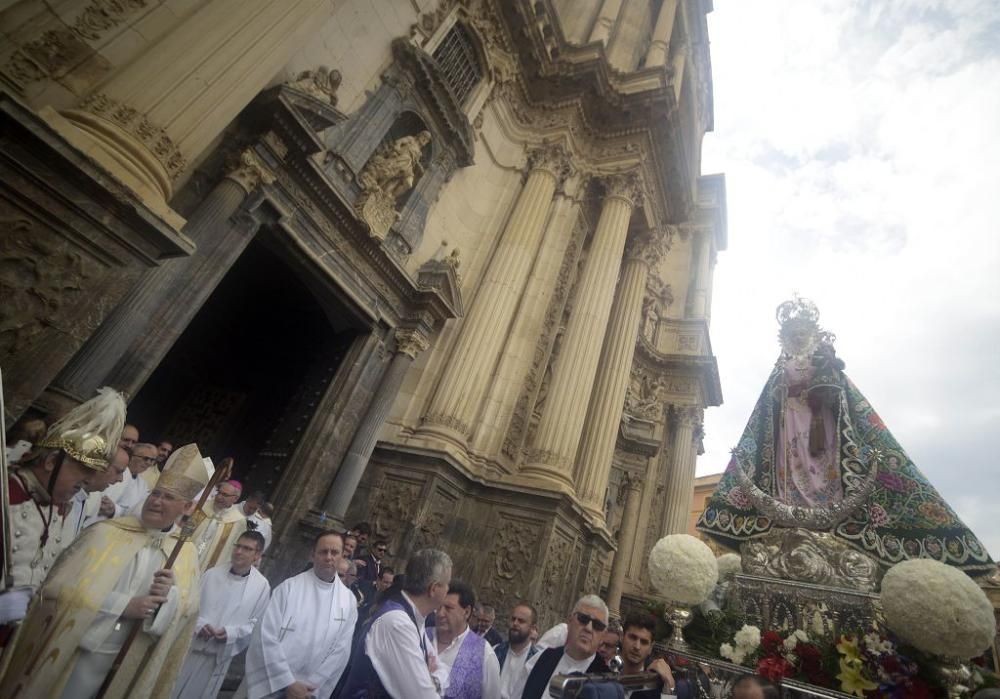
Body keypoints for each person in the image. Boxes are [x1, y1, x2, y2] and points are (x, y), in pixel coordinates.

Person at [698, 298, 995, 573]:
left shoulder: (824, 361)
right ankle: (789, 509)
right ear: (786, 337)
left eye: (804, 331)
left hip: (820, 423)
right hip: (790, 422)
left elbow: (841, 397)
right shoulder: (781, 368)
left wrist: (824, 382)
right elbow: (770, 402)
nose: (799, 336)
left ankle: (824, 509)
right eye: (794, 332)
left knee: (822, 465)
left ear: (812, 333)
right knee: (789, 464)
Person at [0, 443, 208, 699]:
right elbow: (55, 590)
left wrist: (170, 598)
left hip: (126, 664)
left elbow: (188, 612)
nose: (156, 501)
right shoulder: (105, 533)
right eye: (155, 493)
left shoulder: (185, 554)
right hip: (74, 653)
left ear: (186, 508)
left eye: (168, 497)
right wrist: (123, 606)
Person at [0, 387, 126, 627]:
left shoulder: (58, 510)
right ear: (51, 462)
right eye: (84, 470)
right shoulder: (8, 494)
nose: (88, 480)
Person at [243, 531, 357, 699]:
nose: (329, 557)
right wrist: (287, 682)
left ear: (342, 556)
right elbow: (265, 636)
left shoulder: (348, 601)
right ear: (313, 555)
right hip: (273, 684)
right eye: (323, 551)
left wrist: (312, 687)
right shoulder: (289, 588)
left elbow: (341, 650)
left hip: (309, 691)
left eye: (335, 552)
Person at [340, 548, 453, 698]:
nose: (448, 590)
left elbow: (442, 668)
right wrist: (434, 681)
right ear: (433, 589)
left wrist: (434, 680)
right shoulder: (398, 623)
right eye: (447, 584)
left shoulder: (414, 618)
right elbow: (423, 695)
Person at [171, 531, 271, 699]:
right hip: (190, 649)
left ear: (257, 555)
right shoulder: (212, 574)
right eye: (238, 546)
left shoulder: (261, 587)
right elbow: (190, 607)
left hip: (218, 659)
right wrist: (200, 625)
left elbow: (257, 625)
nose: (239, 551)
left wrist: (230, 633)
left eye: (246, 548)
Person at [510, 595, 611, 699]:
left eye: (597, 625)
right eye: (583, 619)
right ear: (570, 621)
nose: (588, 628)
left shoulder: (607, 682)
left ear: (603, 635)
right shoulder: (541, 659)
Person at [426, 580, 501, 698]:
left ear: (466, 612)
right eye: (438, 607)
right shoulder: (421, 636)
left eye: (448, 608)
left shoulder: (484, 654)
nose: (440, 613)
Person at [68, 445, 130, 539]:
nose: (120, 479)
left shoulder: (85, 499)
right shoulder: (66, 495)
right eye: (118, 471)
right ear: (99, 464)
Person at [615, 613, 680, 698]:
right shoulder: (602, 667)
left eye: (644, 642)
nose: (637, 646)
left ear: (650, 648)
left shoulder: (657, 684)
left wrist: (670, 684)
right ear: (621, 637)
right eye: (632, 637)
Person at [190, 479, 249, 571]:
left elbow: (235, 550)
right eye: (219, 492)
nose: (219, 497)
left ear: (235, 498)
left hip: (211, 568)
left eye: (225, 495)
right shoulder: (203, 507)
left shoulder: (239, 521)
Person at [493, 602, 538, 699]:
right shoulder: (495, 651)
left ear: (532, 628)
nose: (515, 623)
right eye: (513, 619)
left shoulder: (537, 661)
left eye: (521, 621)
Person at [104, 442, 159, 517]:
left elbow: (139, 509)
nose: (149, 463)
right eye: (146, 458)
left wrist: (115, 510)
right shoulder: (114, 472)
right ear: (132, 456)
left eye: (152, 460)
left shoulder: (143, 485)